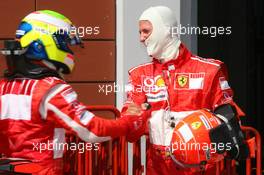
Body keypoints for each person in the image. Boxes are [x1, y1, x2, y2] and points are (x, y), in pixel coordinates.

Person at [0, 10, 148, 175]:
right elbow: (93, 130)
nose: (68, 49)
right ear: (43, 43)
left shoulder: (4, 86)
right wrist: (130, 122)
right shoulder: (51, 89)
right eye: (64, 42)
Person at [121, 6, 246, 175]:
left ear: (164, 30)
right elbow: (130, 129)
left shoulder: (209, 70)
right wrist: (132, 119)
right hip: (158, 167)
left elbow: (227, 114)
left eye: (146, 31)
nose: (141, 39)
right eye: (140, 32)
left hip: (201, 168)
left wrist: (231, 140)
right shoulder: (139, 75)